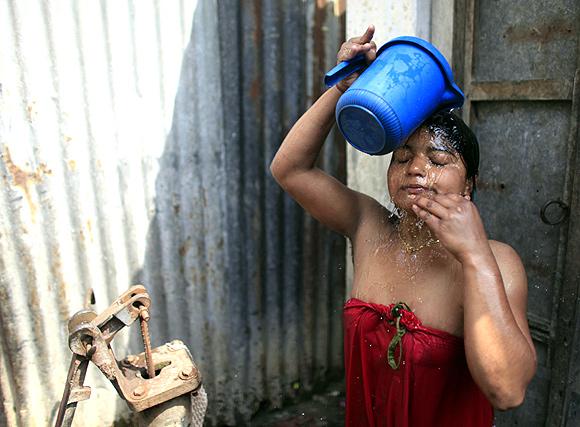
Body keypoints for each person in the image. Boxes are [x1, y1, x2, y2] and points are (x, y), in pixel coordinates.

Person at [270, 25, 537, 426]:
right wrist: (342, 89)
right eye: (403, 157)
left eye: (438, 159)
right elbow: (289, 169)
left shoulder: (495, 261)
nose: (416, 169)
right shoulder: (369, 227)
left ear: (469, 184)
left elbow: (508, 391)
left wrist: (475, 255)